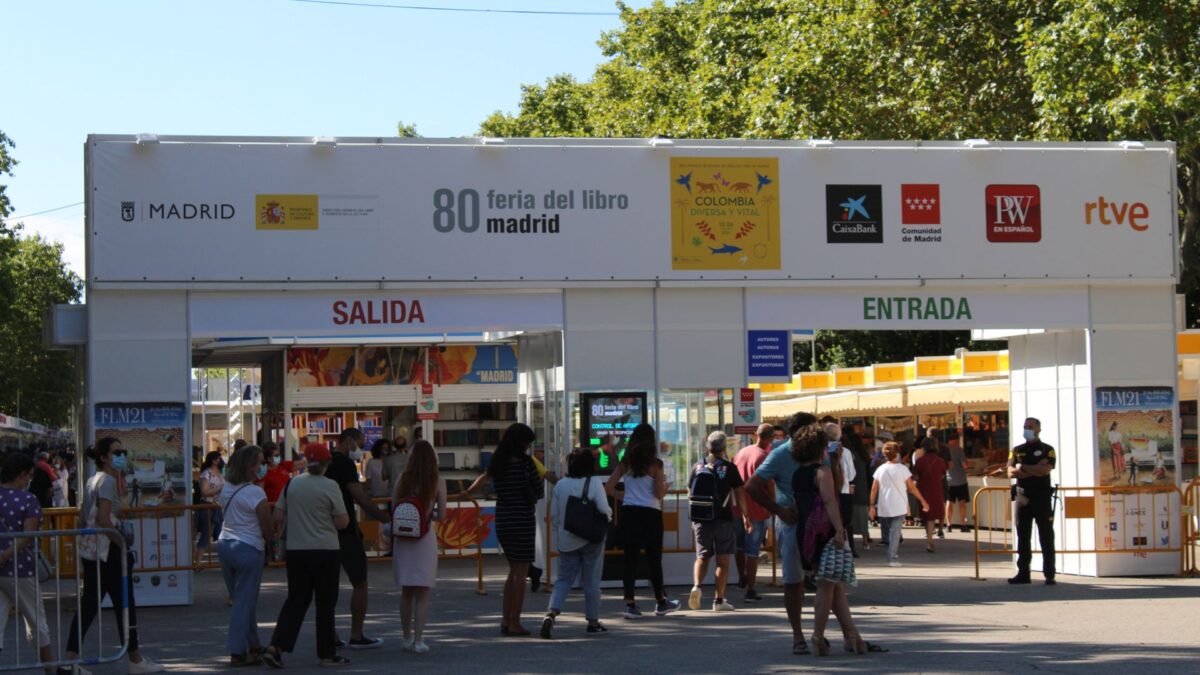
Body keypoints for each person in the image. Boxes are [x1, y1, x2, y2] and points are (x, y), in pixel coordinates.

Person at [62, 437, 165, 673]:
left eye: (123, 451)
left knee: (90, 607)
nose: (122, 455)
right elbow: (105, 520)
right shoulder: (107, 482)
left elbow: (83, 518)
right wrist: (122, 544)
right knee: (124, 605)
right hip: (109, 552)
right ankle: (135, 660)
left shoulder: (92, 480)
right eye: (117, 452)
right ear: (104, 457)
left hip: (92, 553)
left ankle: (69, 660)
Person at [793, 423, 881, 657]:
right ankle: (818, 635)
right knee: (827, 585)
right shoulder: (822, 472)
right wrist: (840, 531)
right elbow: (831, 501)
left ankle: (852, 636)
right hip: (826, 532)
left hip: (807, 532)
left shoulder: (798, 473)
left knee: (834, 584)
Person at [261, 443, 350, 668]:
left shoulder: (292, 483)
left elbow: (278, 515)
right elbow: (342, 522)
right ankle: (327, 654)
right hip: (326, 550)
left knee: (296, 600)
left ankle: (276, 646)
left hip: (297, 551)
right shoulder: (331, 486)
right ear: (326, 464)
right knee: (325, 603)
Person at [745, 412, 817, 655]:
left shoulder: (820, 452)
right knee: (794, 581)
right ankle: (798, 636)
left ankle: (821, 634)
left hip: (818, 523)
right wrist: (778, 510)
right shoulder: (780, 454)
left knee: (829, 581)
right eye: (812, 431)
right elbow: (752, 485)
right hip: (793, 523)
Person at [465, 423, 544, 635]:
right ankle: (515, 622)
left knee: (513, 571)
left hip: (503, 520)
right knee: (520, 574)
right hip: (523, 520)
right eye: (528, 442)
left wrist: (467, 493)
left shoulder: (498, 462)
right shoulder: (526, 464)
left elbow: (483, 479)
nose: (529, 446)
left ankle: (505, 619)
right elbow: (538, 491)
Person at [605, 423, 680, 619]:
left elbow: (609, 488)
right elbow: (658, 493)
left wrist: (627, 496)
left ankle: (630, 604)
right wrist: (665, 487)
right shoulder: (656, 464)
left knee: (630, 560)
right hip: (650, 515)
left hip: (629, 513)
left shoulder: (625, 463)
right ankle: (660, 602)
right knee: (654, 559)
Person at [325, 428, 389, 649]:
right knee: (360, 582)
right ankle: (357, 634)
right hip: (346, 531)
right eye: (360, 444)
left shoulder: (326, 462)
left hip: (324, 531)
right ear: (349, 441)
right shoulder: (345, 464)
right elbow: (359, 497)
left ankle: (329, 634)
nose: (360, 449)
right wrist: (383, 517)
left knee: (327, 586)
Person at [540, 449, 612, 639]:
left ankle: (551, 613)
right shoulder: (594, 482)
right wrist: (608, 518)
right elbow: (604, 509)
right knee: (592, 581)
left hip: (567, 540)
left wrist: (560, 533)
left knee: (563, 580)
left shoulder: (560, 485)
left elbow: (554, 516)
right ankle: (593, 622)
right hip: (591, 539)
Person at [217, 444, 274, 667]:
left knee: (242, 600)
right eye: (260, 463)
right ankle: (237, 651)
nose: (263, 467)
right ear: (251, 467)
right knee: (244, 603)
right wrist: (272, 543)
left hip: (225, 544)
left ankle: (253, 644)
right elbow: (267, 526)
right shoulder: (255, 492)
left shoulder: (227, 488)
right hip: (249, 547)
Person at [0, 454, 54, 674]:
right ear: (22, 475)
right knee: (36, 619)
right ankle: (51, 668)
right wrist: (6, 554)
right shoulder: (28, 500)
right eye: (29, 476)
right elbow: (27, 536)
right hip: (20, 569)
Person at [392, 440, 447, 653]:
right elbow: (441, 515)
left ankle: (405, 637)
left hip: (403, 539)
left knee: (406, 591)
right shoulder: (437, 481)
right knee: (422, 593)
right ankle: (419, 640)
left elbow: (395, 508)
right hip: (424, 538)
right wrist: (427, 514)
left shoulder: (402, 479)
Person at [686, 431, 746, 612]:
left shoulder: (697, 466)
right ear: (724, 448)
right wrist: (746, 515)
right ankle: (719, 600)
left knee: (702, 556)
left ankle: (697, 586)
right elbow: (740, 493)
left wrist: (694, 517)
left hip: (701, 520)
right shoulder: (729, 468)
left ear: (707, 446)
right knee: (722, 561)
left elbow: (690, 491)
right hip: (723, 519)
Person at [1008, 417, 1057, 585]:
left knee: (1046, 536)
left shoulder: (1048, 450)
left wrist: (1023, 467)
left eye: (1030, 427)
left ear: (1038, 429)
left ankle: (1049, 574)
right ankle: (1023, 573)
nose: (1027, 429)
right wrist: (1034, 468)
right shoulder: (1017, 450)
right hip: (1022, 497)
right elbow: (1010, 472)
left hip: (1042, 497)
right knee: (1023, 537)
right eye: (1025, 426)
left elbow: (1046, 470)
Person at [869, 442, 929, 567]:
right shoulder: (903, 469)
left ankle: (892, 553)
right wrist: (923, 500)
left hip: (884, 505)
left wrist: (871, 505)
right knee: (895, 532)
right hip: (899, 504)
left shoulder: (880, 469)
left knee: (890, 532)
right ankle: (892, 557)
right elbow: (912, 488)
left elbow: (874, 489)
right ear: (896, 454)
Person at [733, 424, 774, 603]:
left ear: (755, 435)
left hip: (737, 509)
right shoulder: (765, 457)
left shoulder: (741, 453)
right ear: (770, 438)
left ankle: (742, 576)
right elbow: (770, 484)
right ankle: (751, 588)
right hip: (756, 509)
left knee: (740, 547)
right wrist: (773, 506)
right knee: (753, 551)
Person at [913, 438, 947, 552]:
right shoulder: (940, 461)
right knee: (934, 514)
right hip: (936, 488)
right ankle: (933, 537)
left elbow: (915, 476)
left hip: (923, 489)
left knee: (927, 516)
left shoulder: (920, 461)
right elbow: (942, 475)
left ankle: (929, 539)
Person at [194, 451, 225, 567]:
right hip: (207, 506)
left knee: (220, 534)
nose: (220, 460)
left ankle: (224, 562)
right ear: (213, 460)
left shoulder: (219, 473)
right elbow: (204, 491)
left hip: (217, 507)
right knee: (206, 535)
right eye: (218, 458)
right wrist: (219, 488)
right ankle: (197, 563)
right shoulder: (207, 473)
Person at [848, 431, 873, 550]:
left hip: (852, 487)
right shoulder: (864, 455)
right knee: (863, 516)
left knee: (851, 516)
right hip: (863, 487)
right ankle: (865, 539)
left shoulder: (850, 454)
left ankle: (852, 539)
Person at [944, 435, 971, 532]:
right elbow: (965, 465)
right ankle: (963, 525)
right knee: (962, 502)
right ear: (955, 440)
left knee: (949, 502)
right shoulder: (959, 450)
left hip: (948, 481)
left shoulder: (944, 450)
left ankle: (948, 525)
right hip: (960, 480)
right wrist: (968, 464)